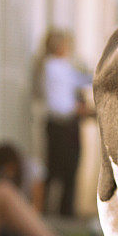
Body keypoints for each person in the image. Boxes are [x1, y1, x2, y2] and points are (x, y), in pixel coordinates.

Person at [35, 29, 92, 217]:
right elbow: (59, 104)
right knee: (60, 170)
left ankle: (59, 211)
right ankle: (57, 212)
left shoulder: (62, 66)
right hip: (62, 125)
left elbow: (82, 80)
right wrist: (79, 110)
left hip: (63, 125)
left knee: (62, 170)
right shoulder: (54, 67)